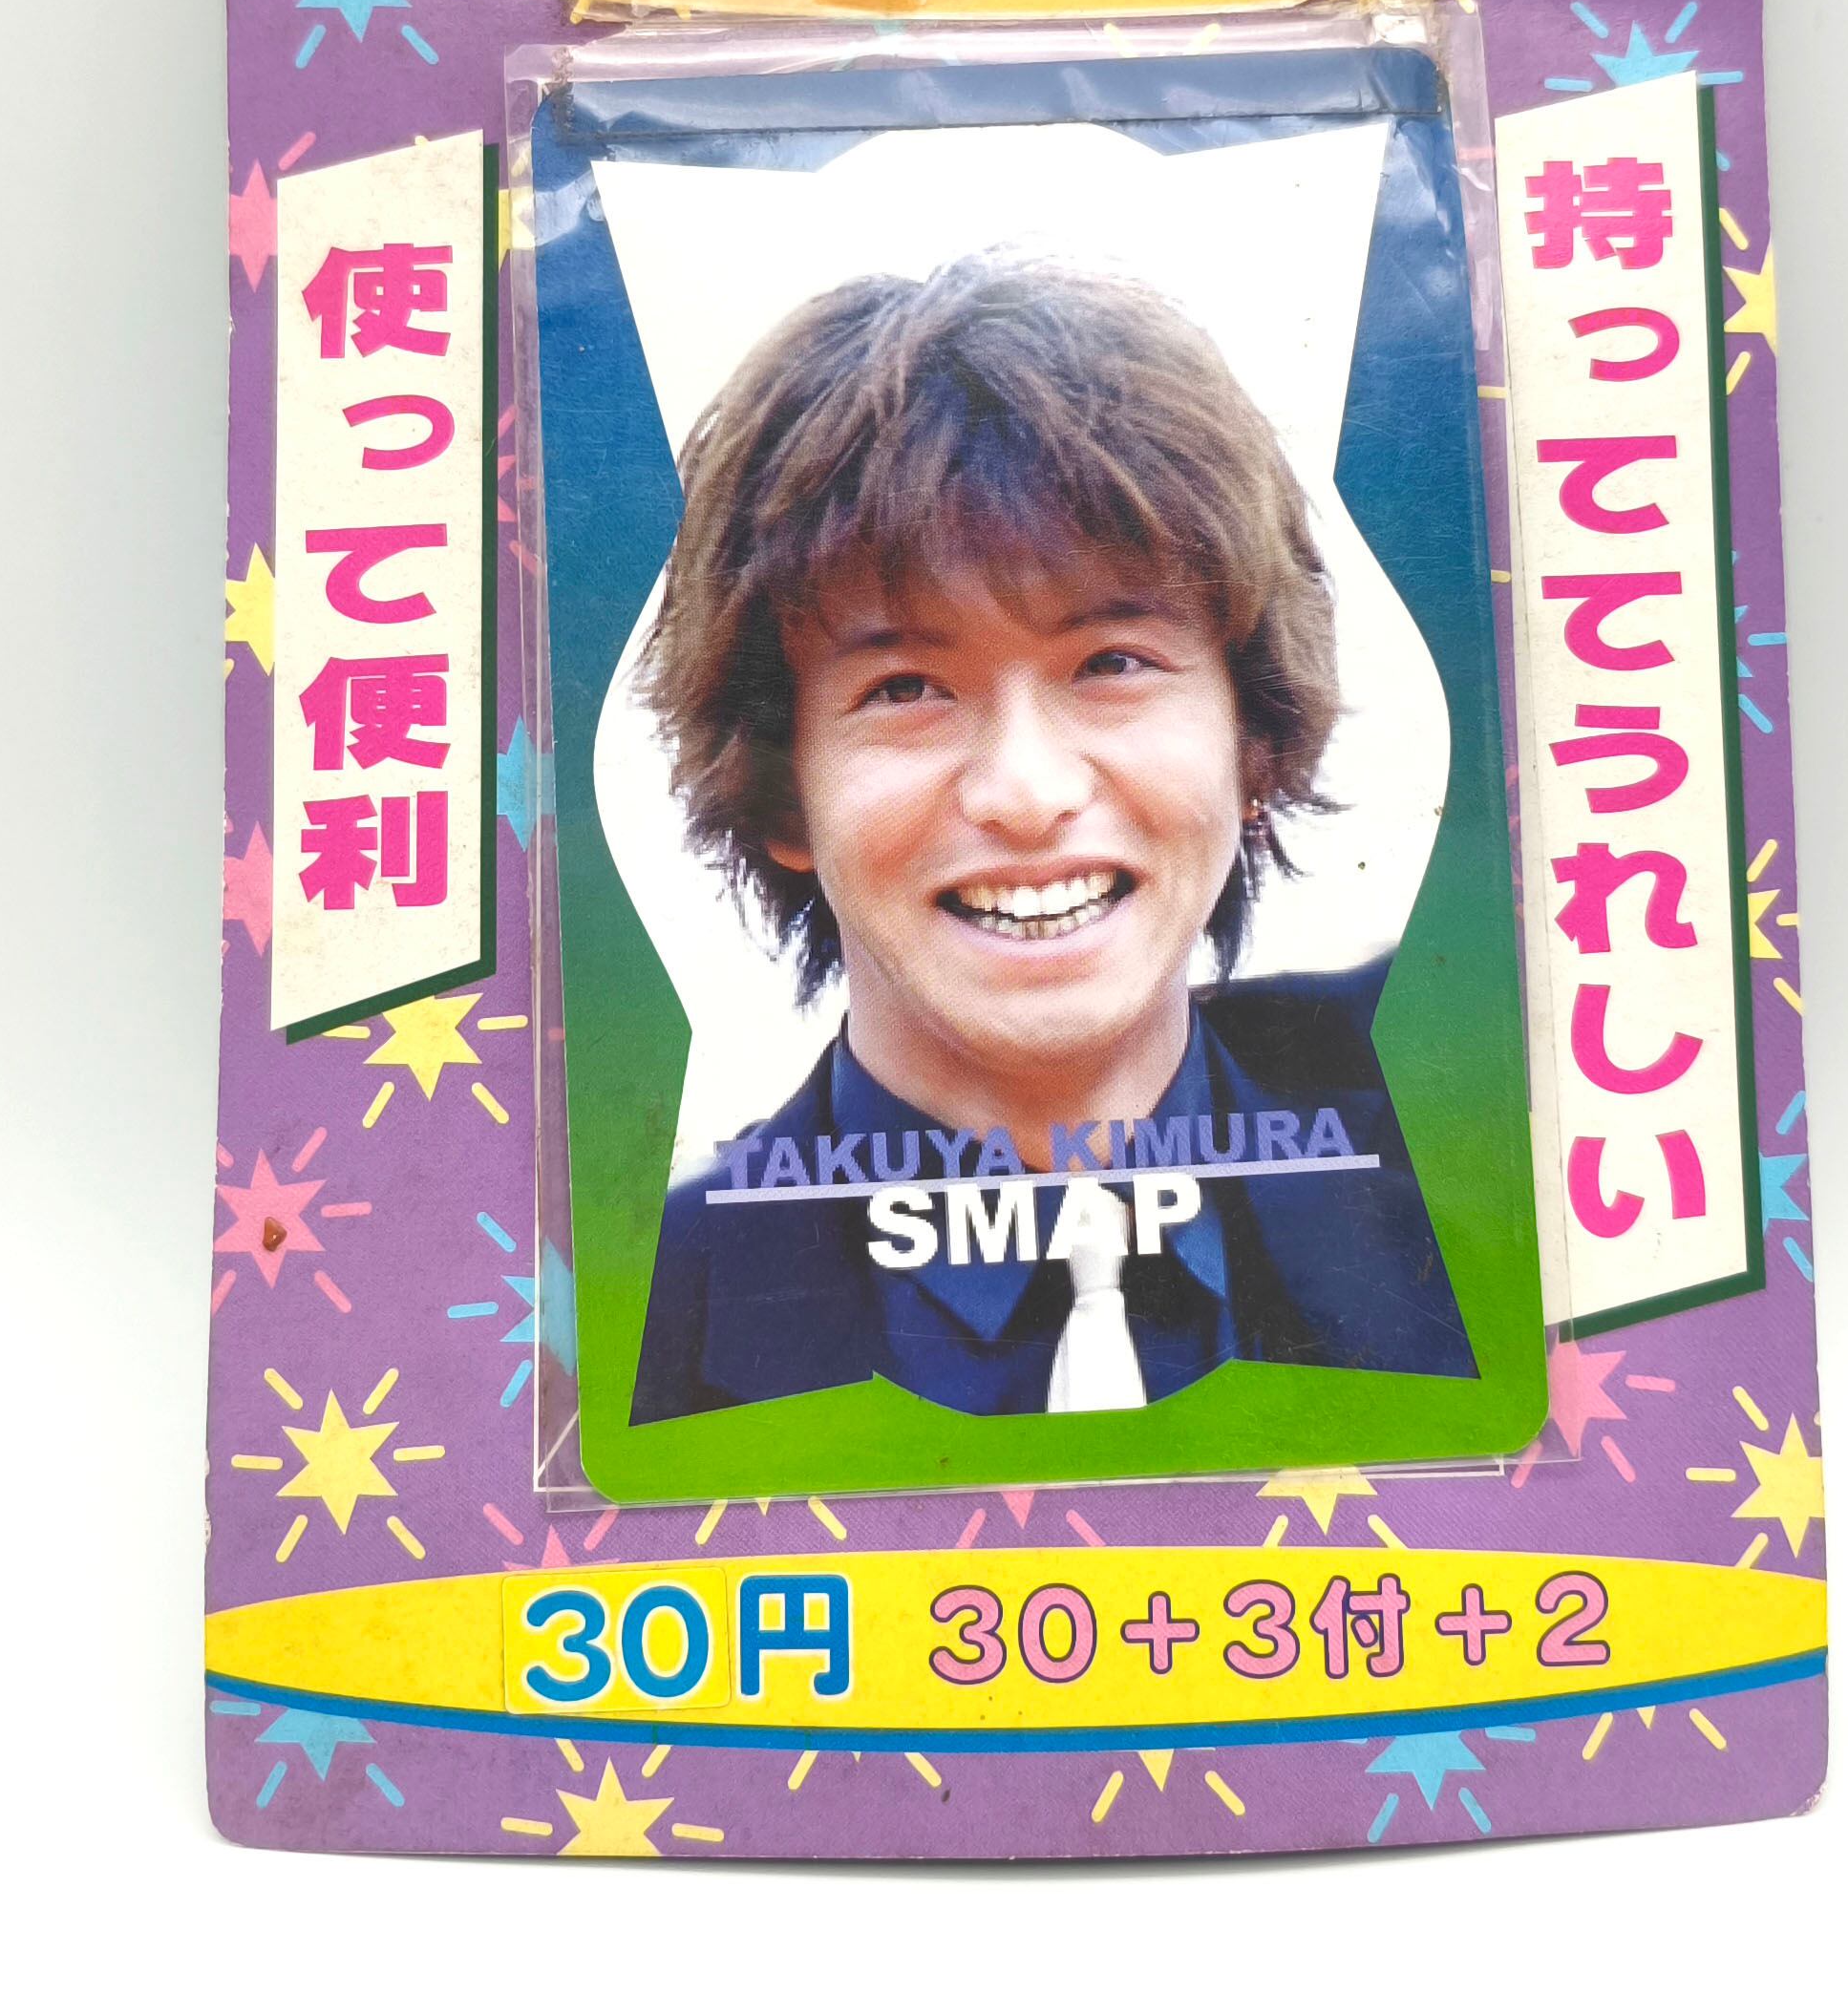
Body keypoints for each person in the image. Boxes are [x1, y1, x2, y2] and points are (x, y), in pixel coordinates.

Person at [627, 247, 1476, 1421]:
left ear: (1253, 742)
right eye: (906, 687)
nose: (1024, 792)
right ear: (781, 795)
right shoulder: (628, 1328)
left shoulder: (1477, 1195)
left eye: (1112, 663)